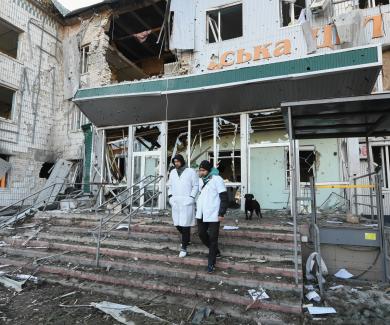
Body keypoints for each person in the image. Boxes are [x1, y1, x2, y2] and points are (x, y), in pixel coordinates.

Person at [196, 160, 228, 273]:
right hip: (201, 213)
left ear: (208, 170)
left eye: (203, 170)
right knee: (201, 233)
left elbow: (224, 197)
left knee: (213, 239)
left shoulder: (217, 179)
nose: (201, 172)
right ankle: (215, 251)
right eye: (200, 170)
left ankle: (211, 263)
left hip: (214, 213)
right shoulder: (201, 180)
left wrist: (221, 213)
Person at [167, 154, 198, 258]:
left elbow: (196, 186)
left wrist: (191, 198)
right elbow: (169, 186)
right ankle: (187, 239)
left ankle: (184, 247)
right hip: (176, 202)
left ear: (182, 161)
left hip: (187, 202)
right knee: (177, 224)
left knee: (185, 225)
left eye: (178, 161)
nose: (176, 163)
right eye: (174, 162)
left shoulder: (191, 171)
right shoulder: (172, 172)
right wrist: (170, 197)